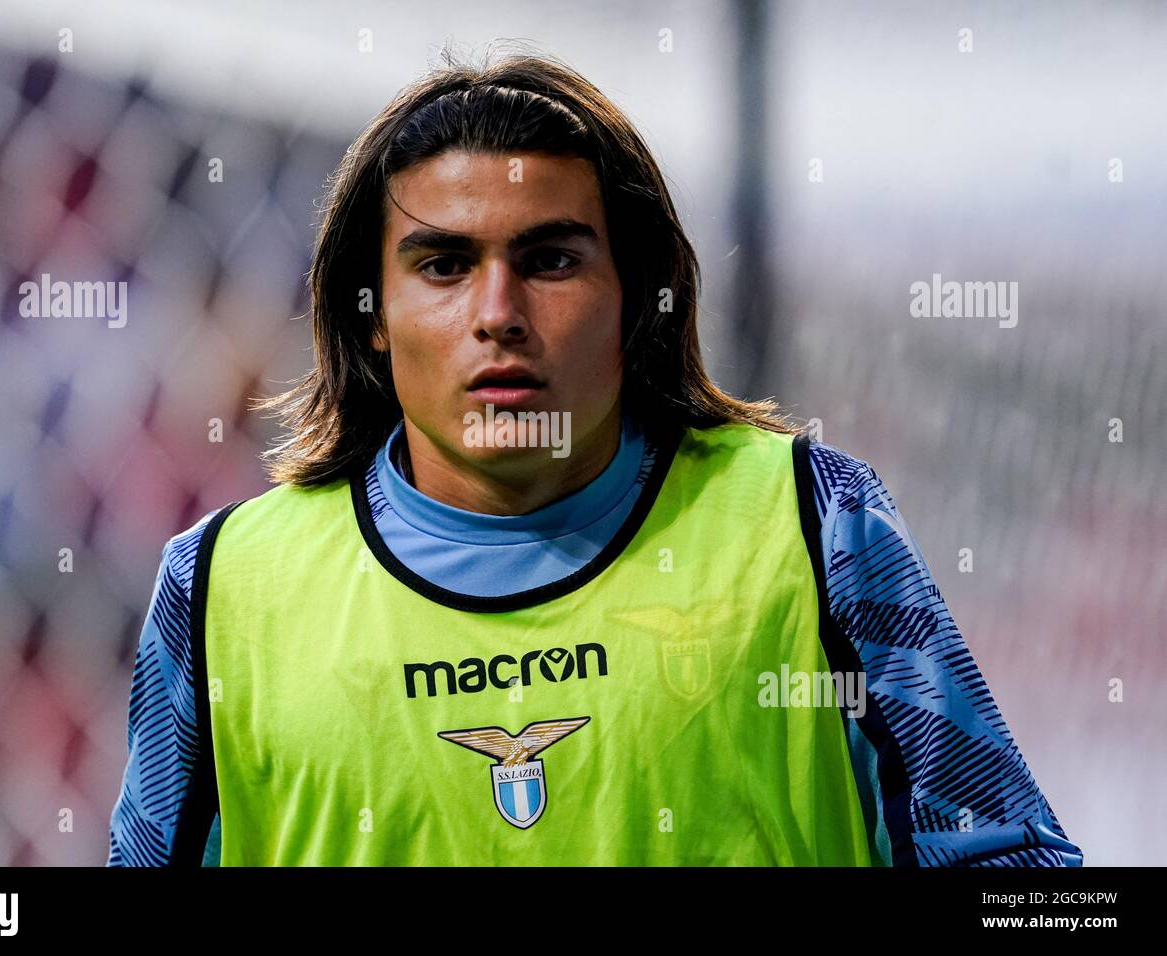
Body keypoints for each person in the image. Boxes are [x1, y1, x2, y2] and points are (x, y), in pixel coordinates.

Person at [107, 51, 1081, 867]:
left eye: (550, 260)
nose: (497, 314)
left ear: (637, 296)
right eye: (444, 265)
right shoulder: (221, 588)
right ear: (369, 314)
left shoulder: (813, 520)